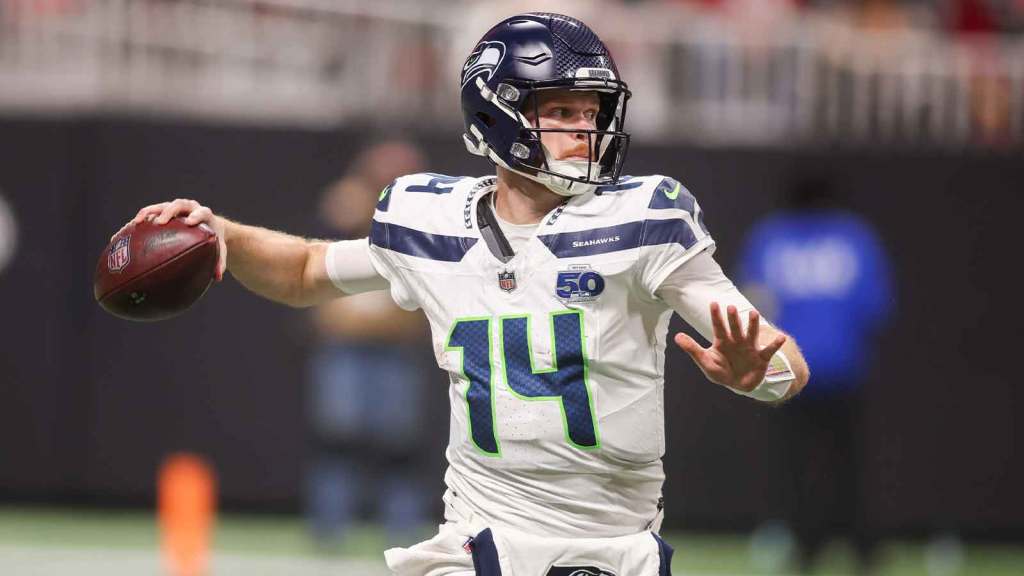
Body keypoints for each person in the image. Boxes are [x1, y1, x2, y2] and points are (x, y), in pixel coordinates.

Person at [120, 13, 809, 575]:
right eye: (560, 108)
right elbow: (305, 271)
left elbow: (782, 365)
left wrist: (759, 377)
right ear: (498, 114)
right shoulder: (431, 220)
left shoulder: (646, 218)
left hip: (611, 548)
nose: (583, 130)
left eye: (591, 110)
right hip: (479, 541)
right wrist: (222, 233)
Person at [738, 176, 892, 575]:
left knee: (794, 467)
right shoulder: (854, 236)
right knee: (848, 467)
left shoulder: (770, 237)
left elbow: (752, 306)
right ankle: (862, 549)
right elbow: (876, 306)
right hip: (844, 369)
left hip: (787, 372)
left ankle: (805, 547)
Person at [305, 141, 430, 548]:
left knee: (401, 446)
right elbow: (314, 272)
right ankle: (329, 530)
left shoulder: (422, 222)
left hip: (395, 349)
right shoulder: (345, 213)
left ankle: (403, 530)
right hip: (346, 348)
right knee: (337, 439)